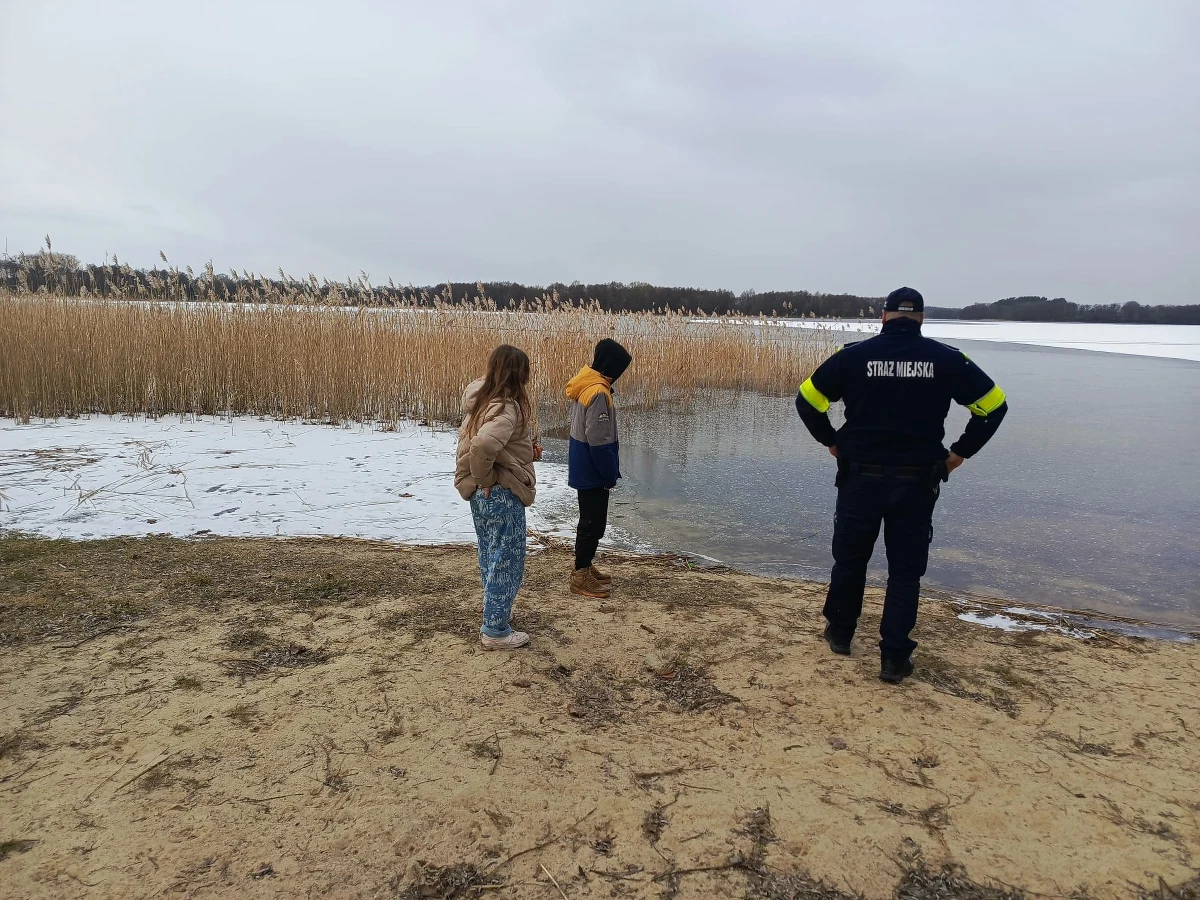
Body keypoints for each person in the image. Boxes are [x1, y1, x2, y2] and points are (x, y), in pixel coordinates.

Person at [795, 287, 1008, 683]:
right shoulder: (947, 360)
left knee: (850, 560)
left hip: (860, 478)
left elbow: (807, 400)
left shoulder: (853, 357)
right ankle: (894, 657)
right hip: (917, 482)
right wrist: (961, 452)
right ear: (922, 319)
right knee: (905, 572)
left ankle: (840, 633)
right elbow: (993, 407)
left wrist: (831, 440)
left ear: (884, 316)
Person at [455, 344, 543, 650]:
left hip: (484, 495)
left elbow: (488, 442)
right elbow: (481, 447)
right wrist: (487, 479)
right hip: (500, 493)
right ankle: (495, 631)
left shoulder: (482, 399)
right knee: (508, 560)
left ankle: (494, 620)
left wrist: (523, 453)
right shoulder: (507, 405)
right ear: (519, 373)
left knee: (492, 554)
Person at [565, 338, 632, 598]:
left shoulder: (590, 385)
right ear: (611, 366)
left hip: (585, 465)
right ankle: (580, 575)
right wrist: (608, 473)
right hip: (592, 469)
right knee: (592, 523)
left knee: (593, 521)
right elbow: (599, 440)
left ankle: (586, 566)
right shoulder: (598, 392)